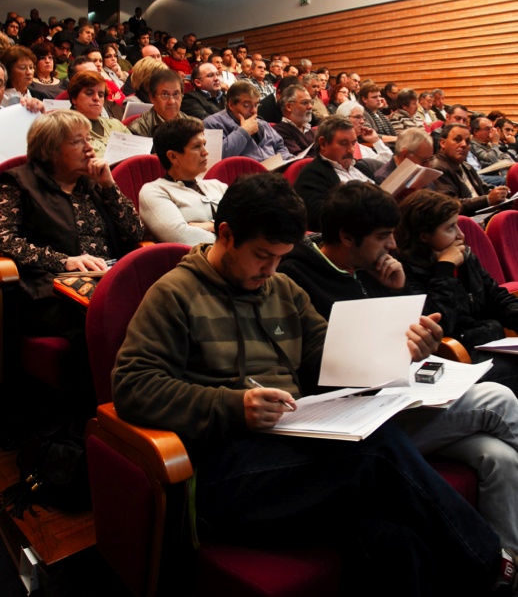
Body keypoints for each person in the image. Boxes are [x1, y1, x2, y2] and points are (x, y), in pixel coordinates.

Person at [112, 172, 510, 597]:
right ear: (225, 235)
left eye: (281, 257)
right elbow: (134, 386)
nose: (271, 269)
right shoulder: (175, 293)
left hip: (294, 454)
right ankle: (493, 569)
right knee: (379, 450)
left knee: (397, 540)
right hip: (222, 471)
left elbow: (332, 359)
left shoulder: (281, 288)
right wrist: (234, 404)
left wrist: (403, 350)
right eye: (262, 255)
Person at [279, 180, 518, 554]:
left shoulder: (376, 269)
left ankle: (506, 570)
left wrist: (399, 290)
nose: (393, 245)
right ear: (346, 236)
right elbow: (318, 368)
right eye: (383, 236)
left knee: (498, 457)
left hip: (399, 400)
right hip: (356, 422)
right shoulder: (297, 278)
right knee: (499, 398)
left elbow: (417, 339)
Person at [0, 109, 143, 338]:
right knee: (117, 321)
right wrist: (64, 261)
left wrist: (109, 186)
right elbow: (4, 240)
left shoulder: (93, 184)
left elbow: (135, 234)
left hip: (107, 280)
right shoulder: (19, 183)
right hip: (52, 291)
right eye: (77, 141)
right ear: (50, 150)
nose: (89, 148)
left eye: (88, 139)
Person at [396, 189, 518, 394]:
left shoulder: (465, 257)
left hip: (487, 345)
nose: (461, 235)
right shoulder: (404, 272)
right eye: (450, 228)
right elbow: (439, 325)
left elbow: (497, 299)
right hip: (454, 358)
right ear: (424, 236)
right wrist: (444, 269)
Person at [139, 117, 227, 244]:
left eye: (204, 144)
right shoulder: (154, 191)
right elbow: (181, 236)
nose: (205, 152)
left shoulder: (217, 186)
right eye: (197, 147)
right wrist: (233, 241)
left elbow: (250, 220)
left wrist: (211, 225)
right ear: (173, 156)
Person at [294, 116, 376, 231]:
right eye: (344, 143)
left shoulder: (361, 168)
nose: (351, 150)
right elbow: (318, 219)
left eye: (353, 143)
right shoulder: (312, 175)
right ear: (323, 144)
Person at [431, 124, 508, 216]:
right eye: (457, 140)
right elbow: (450, 205)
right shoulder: (436, 168)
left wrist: (501, 195)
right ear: (443, 143)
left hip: (482, 215)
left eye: (467, 141)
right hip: (463, 223)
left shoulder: (465, 165)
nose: (464, 145)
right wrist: (487, 199)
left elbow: (483, 188)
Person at [204, 81, 291, 161]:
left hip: (272, 173)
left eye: (256, 105)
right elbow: (215, 158)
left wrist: (289, 160)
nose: (254, 111)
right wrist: (244, 131)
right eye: (247, 105)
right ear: (231, 104)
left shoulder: (261, 122)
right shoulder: (212, 123)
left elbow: (280, 147)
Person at [68, 71, 130, 158]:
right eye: (89, 93)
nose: (96, 98)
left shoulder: (116, 124)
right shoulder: (67, 131)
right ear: (74, 98)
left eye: (101, 95)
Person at [128, 67, 186, 138]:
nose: (172, 101)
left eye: (176, 94)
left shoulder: (194, 125)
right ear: (152, 97)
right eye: (165, 95)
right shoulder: (138, 129)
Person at [272, 83, 317, 156]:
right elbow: (299, 159)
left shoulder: (312, 131)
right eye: (305, 102)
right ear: (289, 107)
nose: (310, 106)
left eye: (311, 102)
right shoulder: (279, 131)